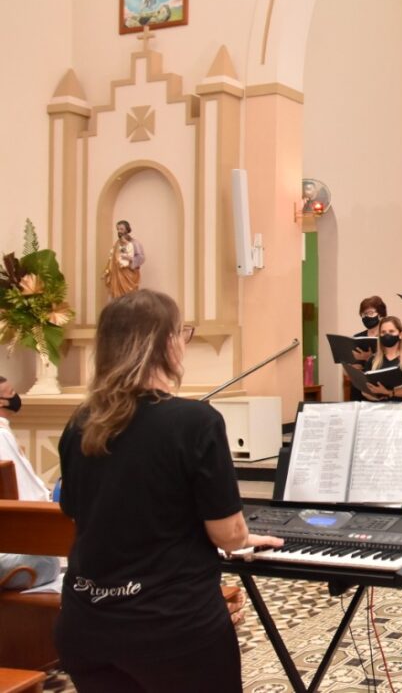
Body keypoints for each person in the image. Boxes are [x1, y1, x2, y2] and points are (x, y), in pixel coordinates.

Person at [55, 290, 283, 692]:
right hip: (171, 627)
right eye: (182, 334)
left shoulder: (81, 425)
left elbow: (75, 511)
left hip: (86, 623)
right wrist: (244, 537)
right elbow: (226, 533)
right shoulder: (195, 422)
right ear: (165, 344)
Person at [0, 378, 61, 590]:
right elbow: (25, 494)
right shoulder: (1, 436)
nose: (15, 396)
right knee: (48, 562)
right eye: (11, 392)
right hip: (11, 543)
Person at [360, 316, 402, 402]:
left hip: (400, 411)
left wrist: (388, 392)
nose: (387, 335)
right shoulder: (372, 360)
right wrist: (376, 397)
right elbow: (365, 391)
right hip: (377, 409)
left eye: (391, 331)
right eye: (383, 332)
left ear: (401, 335)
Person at [103, 220, 145, 300]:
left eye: (121, 229)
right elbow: (112, 258)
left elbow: (141, 257)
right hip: (117, 275)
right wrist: (108, 271)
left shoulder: (134, 243)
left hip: (129, 275)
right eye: (118, 229)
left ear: (127, 230)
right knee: (116, 299)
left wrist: (130, 259)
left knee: (129, 299)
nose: (119, 231)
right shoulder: (117, 244)